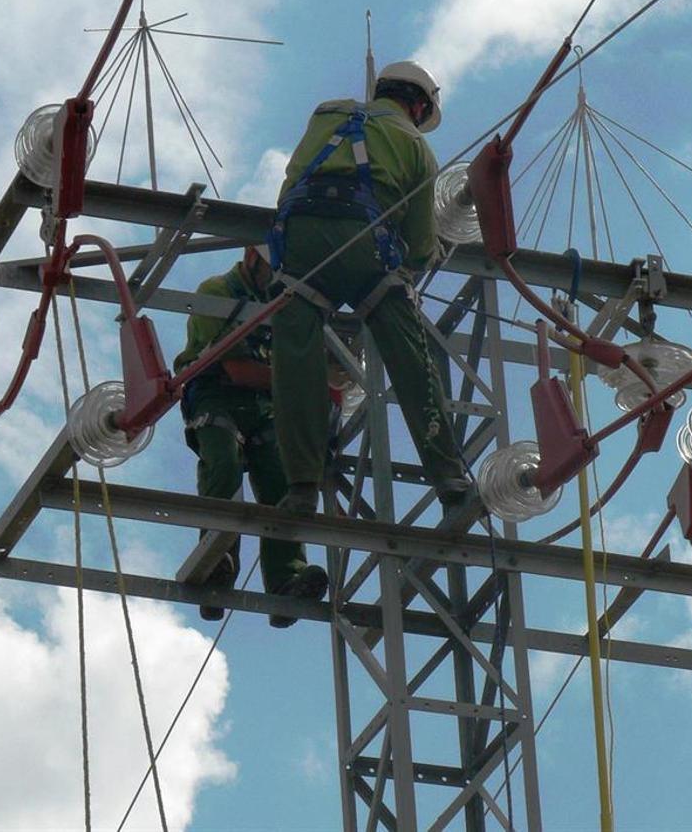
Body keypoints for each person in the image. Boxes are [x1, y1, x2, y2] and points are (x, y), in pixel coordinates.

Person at [269, 60, 473, 518]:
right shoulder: (416, 147)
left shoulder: (326, 114)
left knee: (294, 356)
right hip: (365, 246)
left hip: (299, 240)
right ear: (418, 106)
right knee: (410, 357)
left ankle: (301, 485)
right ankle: (449, 477)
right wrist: (428, 255)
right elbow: (419, 247)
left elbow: (294, 177)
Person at [173, 244, 328, 625]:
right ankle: (216, 563)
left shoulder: (285, 299)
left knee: (282, 479)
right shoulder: (217, 293)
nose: (277, 276)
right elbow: (238, 369)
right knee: (223, 460)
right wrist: (308, 382)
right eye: (272, 266)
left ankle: (286, 578)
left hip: (264, 402)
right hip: (216, 393)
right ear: (251, 257)